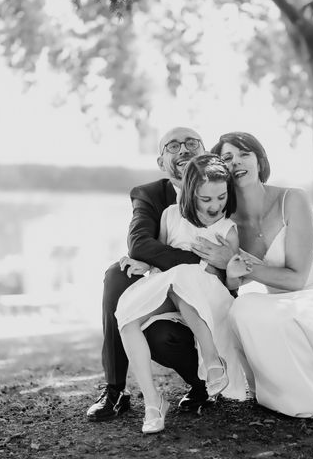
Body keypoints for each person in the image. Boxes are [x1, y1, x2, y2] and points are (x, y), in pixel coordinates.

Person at [204, 131, 313, 422]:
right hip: (283, 299)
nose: (236, 162)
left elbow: (298, 278)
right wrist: (232, 271)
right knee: (241, 309)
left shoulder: (292, 199)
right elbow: (235, 283)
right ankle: (277, 394)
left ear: (259, 160)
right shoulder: (228, 223)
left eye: (244, 154)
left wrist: (235, 262)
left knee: (262, 311)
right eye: (227, 158)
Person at [86, 127, 231, 422]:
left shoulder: (225, 190)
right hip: (175, 290)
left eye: (192, 143)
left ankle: (206, 381)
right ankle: (116, 390)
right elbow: (139, 244)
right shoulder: (152, 196)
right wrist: (200, 263)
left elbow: (260, 232)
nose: (183, 150)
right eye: (172, 146)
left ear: (207, 153)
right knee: (118, 276)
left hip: (216, 294)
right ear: (161, 162)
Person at [115, 154, 248, 433]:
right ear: (190, 194)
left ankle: (213, 358)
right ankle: (153, 403)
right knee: (128, 318)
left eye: (221, 197)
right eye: (206, 199)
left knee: (183, 277)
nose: (216, 206)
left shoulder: (228, 228)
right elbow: (161, 262)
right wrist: (146, 263)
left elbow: (232, 287)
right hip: (173, 291)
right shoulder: (169, 216)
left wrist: (233, 270)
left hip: (209, 300)